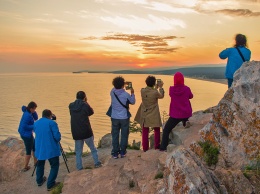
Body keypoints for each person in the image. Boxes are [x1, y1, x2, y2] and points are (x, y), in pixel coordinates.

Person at [160, 72, 193, 151]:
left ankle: (163, 147)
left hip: (175, 115)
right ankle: (185, 121)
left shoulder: (171, 89)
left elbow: (170, 95)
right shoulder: (187, 89)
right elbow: (191, 96)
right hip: (186, 113)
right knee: (185, 115)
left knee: (166, 130)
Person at [69, 91, 102, 170]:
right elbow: (91, 112)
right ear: (84, 97)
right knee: (93, 148)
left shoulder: (71, 106)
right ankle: (97, 162)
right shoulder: (85, 105)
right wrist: (86, 102)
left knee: (78, 151)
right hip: (86, 130)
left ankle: (79, 167)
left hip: (76, 131)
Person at [134, 75, 164, 152]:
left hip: (145, 113)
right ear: (154, 83)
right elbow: (161, 96)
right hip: (153, 113)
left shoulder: (142, 91)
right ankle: (157, 146)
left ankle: (145, 148)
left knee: (145, 130)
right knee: (156, 129)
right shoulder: (155, 92)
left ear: (146, 83)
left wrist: (155, 87)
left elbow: (150, 92)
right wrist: (160, 87)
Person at [34, 109, 61, 191]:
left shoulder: (36, 123)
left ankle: (39, 180)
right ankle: (50, 184)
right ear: (50, 115)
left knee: (40, 164)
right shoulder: (52, 123)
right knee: (54, 165)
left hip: (40, 148)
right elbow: (57, 137)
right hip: (51, 148)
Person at [110, 76, 135, 159]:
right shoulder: (126, 94)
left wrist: (121, 84)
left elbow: (115, 87)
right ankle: (123, 152)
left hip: (114, 117)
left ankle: (115, 153)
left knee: (115, 135)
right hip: (124, 117)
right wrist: (132, 93)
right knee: (124, 135)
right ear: (122, 85)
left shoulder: (112, 92)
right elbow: (133, 102)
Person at [18, 101, 38, 172]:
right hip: (26, 134)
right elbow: (25, 126)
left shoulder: (28, 112)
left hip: (27, 133)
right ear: (31, 108)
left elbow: (36, 118)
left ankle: (36, 162)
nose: (35, 110)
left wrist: (34, 112)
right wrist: (34, 126)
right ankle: (25, 167)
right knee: (28, 150)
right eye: (34, 109)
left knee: (34, 146)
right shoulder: (27, 115)